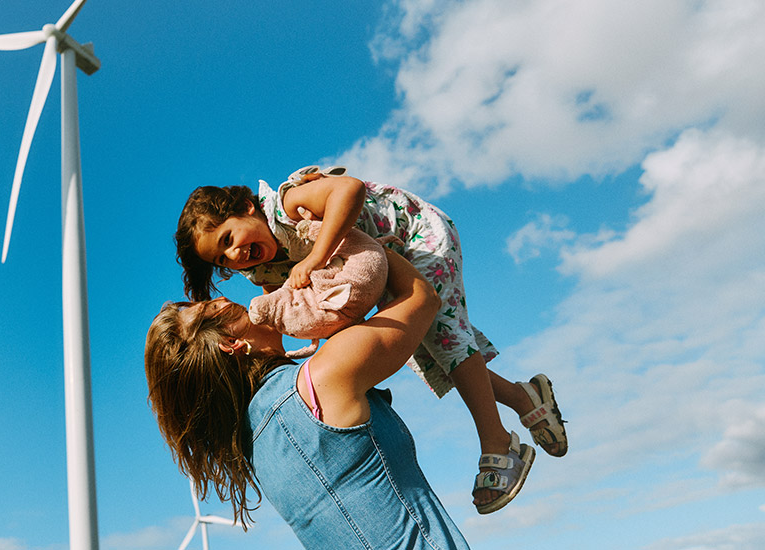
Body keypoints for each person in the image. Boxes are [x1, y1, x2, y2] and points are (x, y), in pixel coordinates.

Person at [174, 166, 567, 513]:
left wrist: (314, 257)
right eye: (222, 260)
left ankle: (498, 442)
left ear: (246, 207)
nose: (235, 255)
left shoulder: (287, 205)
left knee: (442, 333)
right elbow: (286, 308)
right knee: (427, 349)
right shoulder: (263, 272)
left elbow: (350, 189)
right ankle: (524, 398)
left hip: (412, 235)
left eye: (228, 239)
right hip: (379, 269)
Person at [146, 245, 471, 548]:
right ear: (232, 346)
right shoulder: (325, 377)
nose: (227, 299)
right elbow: (423, 297)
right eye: (216, 308)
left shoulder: (254, 447)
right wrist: (361, 243)